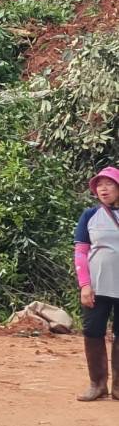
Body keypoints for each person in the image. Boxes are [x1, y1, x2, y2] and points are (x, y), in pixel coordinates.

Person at [75, 166, 119, 401]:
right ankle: (97, 384)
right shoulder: (90, 216)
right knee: (92, 331)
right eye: (99, 185)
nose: (103, 189)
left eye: (109, 184)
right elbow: (81, 252)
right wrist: (85, 285)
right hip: (97, 287)